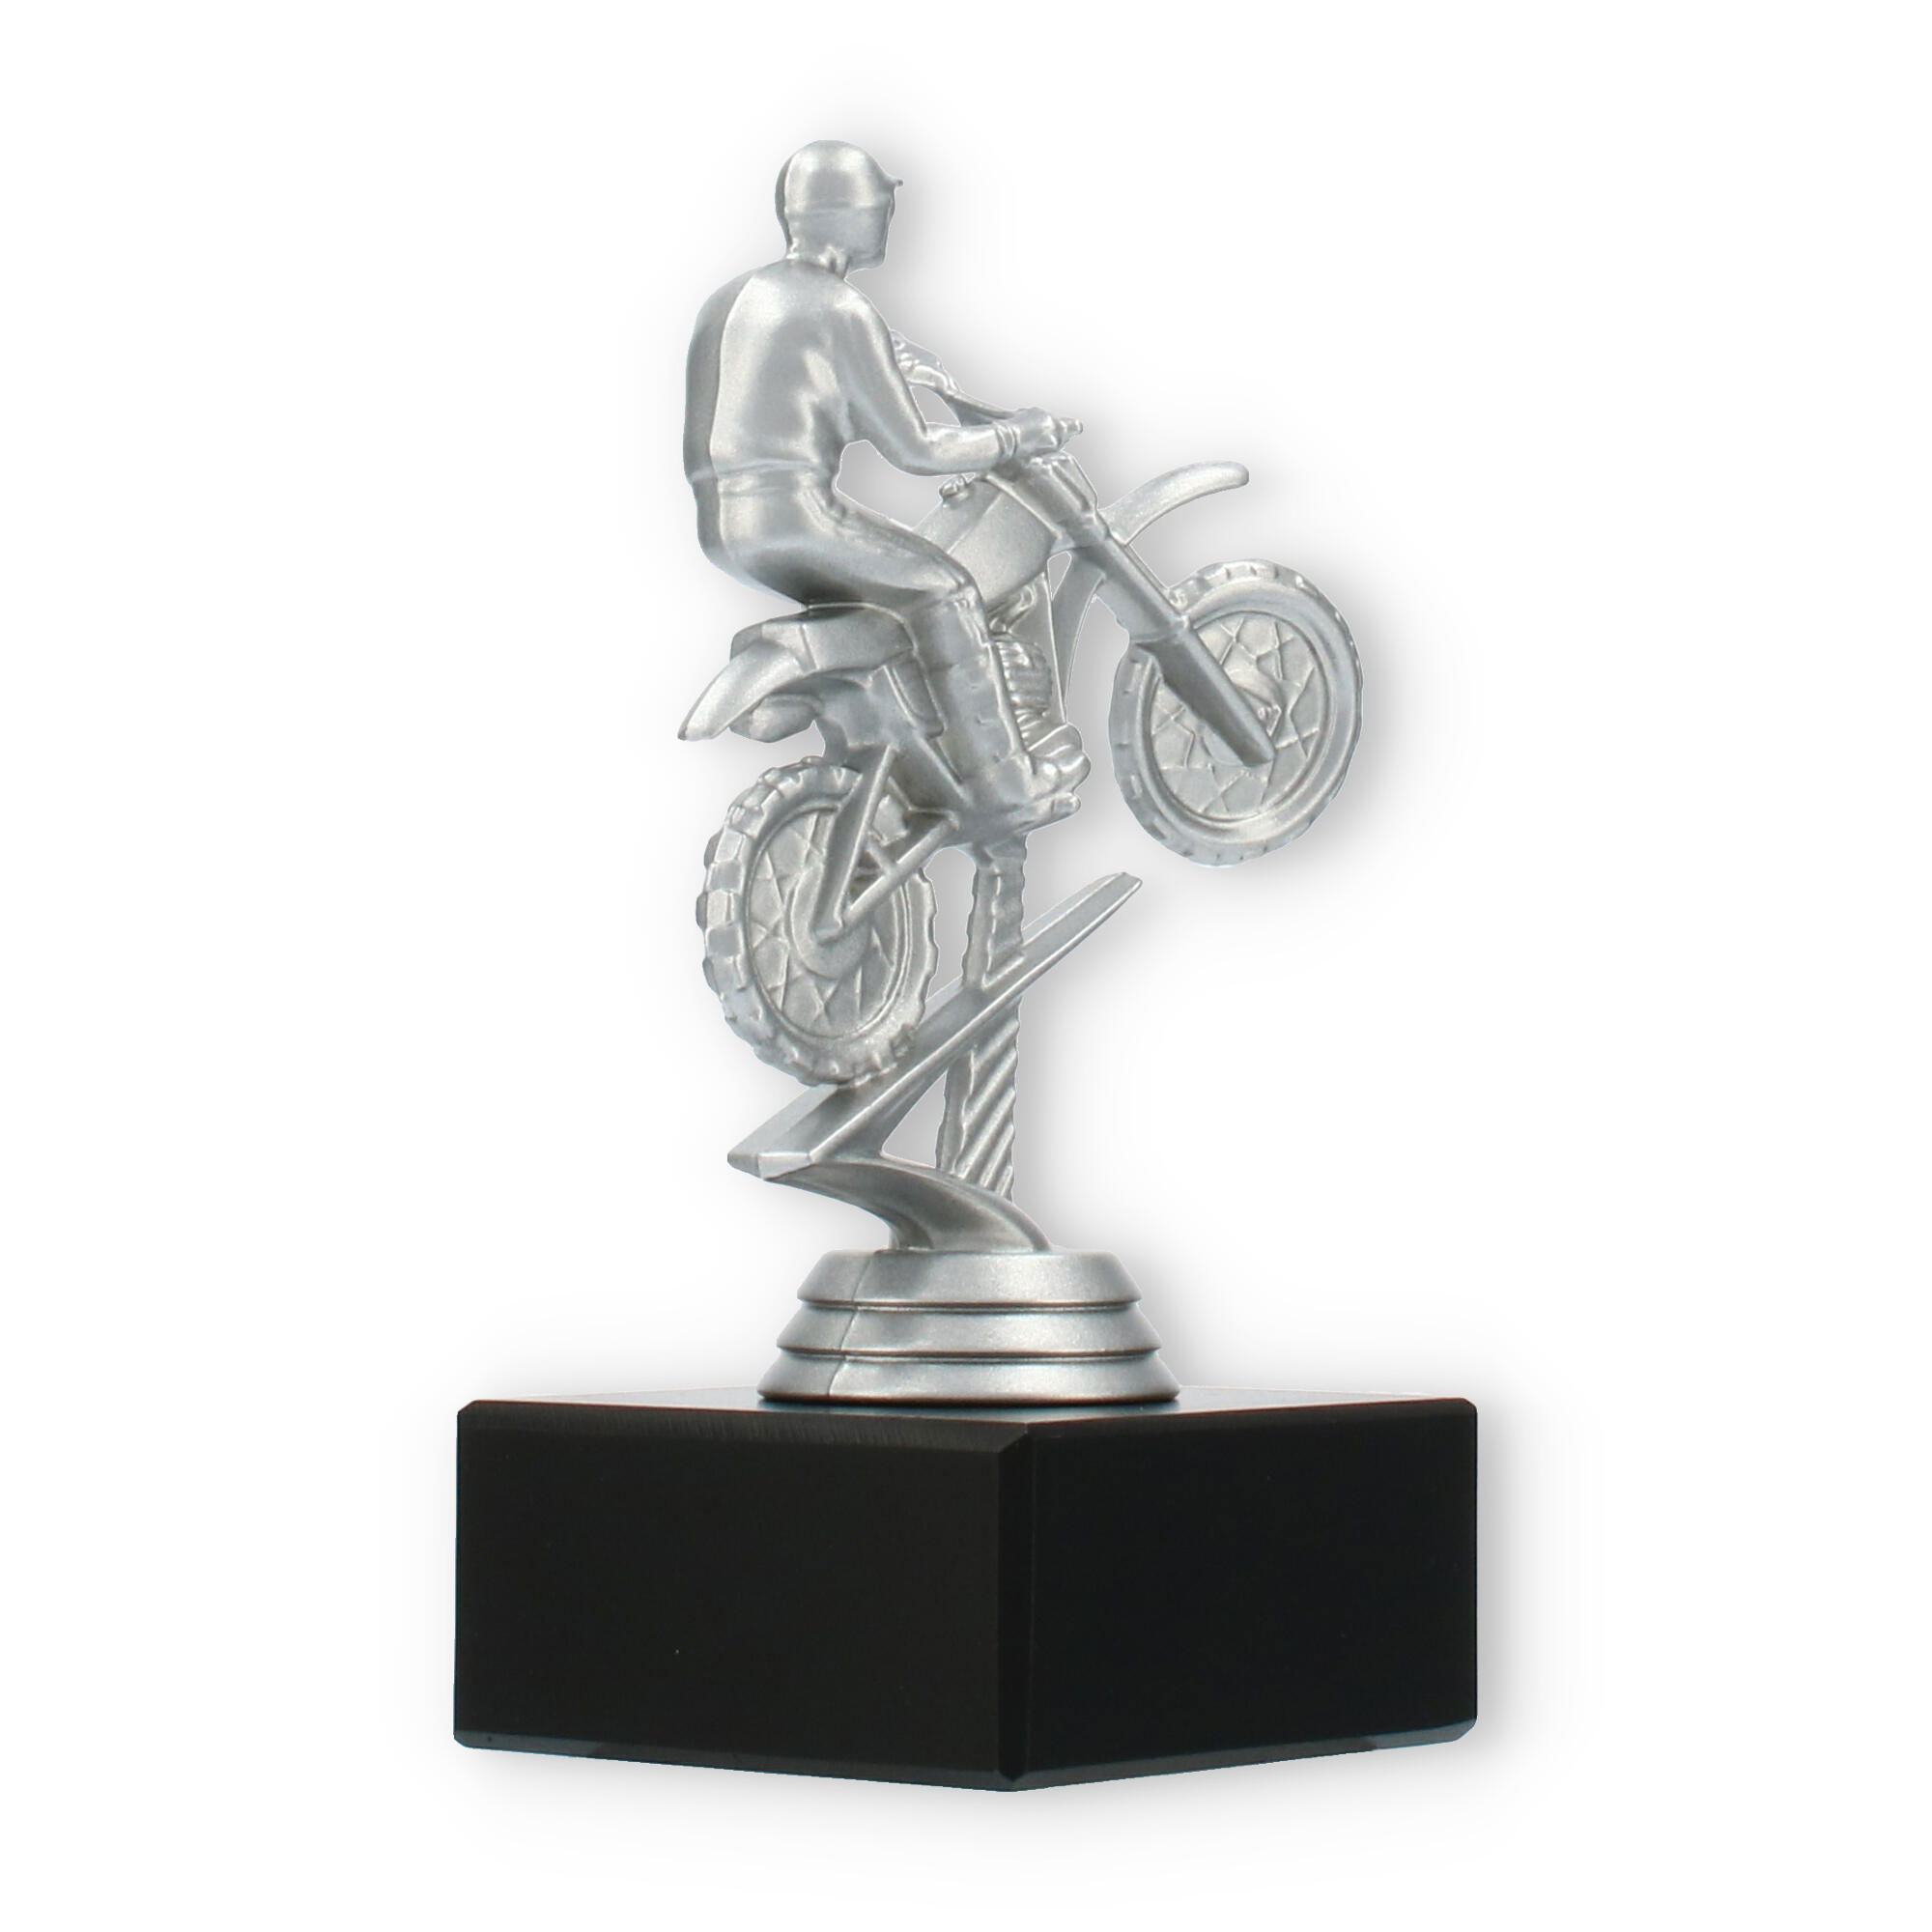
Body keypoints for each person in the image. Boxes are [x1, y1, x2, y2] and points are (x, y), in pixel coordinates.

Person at [684, 140, 1087, 832]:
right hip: (797, 517)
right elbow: (917, 451)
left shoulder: (735, 299)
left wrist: (895, 371)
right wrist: (1018, 435)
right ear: (849, 213)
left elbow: (786, 395)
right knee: (947, 589)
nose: (886, 218)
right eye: (879, 205)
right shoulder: (840, 306)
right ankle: (1007, 782)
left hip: (725, 525)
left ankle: (916, 751)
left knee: (897, 600)